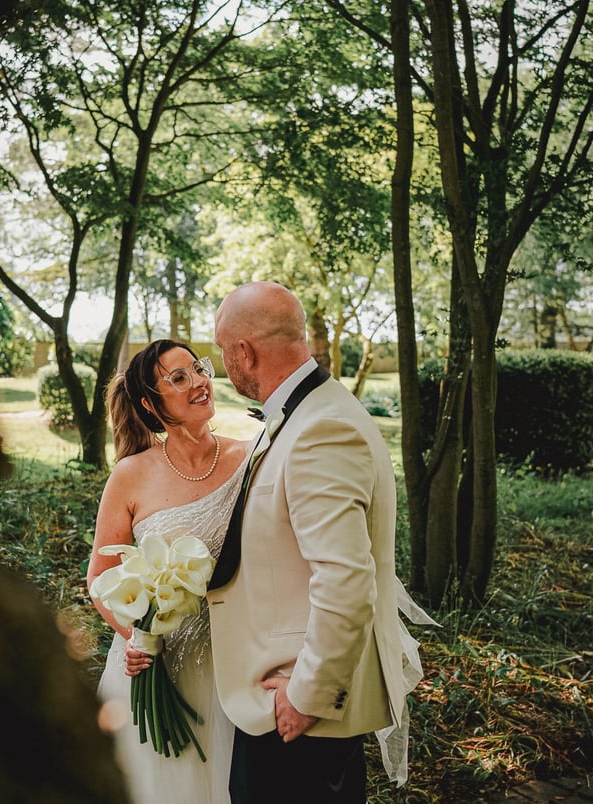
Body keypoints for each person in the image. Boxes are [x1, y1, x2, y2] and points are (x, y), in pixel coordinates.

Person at [209, 281, 431, 803]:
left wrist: (307, 695)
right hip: (280, 699)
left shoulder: (321, 428)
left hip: (297, 711)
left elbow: (346, 581)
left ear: (244, 351)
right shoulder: (303, 413)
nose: (224, 364)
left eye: (222, 351)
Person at [87, 339, 251, 804]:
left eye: (198, 369)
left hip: (231, 659)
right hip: (154, 667)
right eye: (179, 378)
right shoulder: (131, 475)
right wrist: (136, 640)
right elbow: (99, 576)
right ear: (149, 402)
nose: (200, 382)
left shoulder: (249, 459)